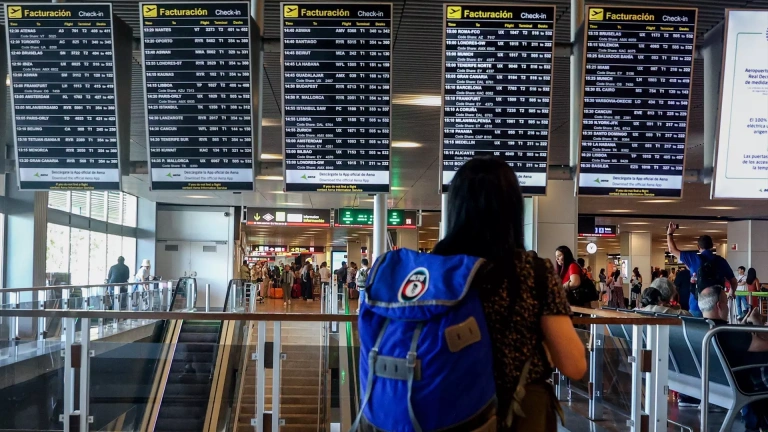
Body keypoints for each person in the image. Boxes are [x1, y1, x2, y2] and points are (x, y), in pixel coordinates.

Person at [430, 156, 586, 428]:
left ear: (455, 206)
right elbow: (574, 364)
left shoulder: (434, 270)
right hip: (515, 414)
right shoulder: (532, 272)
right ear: (512, 209)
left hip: (443, 410)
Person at [698, 286, 768, 430]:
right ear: (719, 305)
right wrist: (757, 322)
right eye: (727, 300)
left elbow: (738, 339)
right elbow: (765, 345)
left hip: (712, 382)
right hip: (742, 382)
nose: (728, 305)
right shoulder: (724, 332)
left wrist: (745, 325)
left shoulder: (701, 328)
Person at [667, 222, 738, 317]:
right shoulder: (721, 261)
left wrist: (670, 233)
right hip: (717, 306)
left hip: (696, 305)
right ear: (712, 246)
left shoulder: (693, 258)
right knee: (716, 326)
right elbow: (733, 281)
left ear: (698, 247)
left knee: (696, 326)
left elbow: (672, 250)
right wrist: (732, 292)